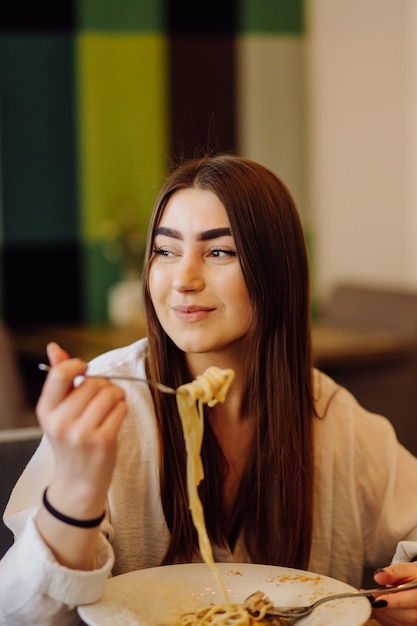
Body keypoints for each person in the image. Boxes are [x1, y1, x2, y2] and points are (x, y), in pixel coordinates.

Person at [1, 154, 417, 626]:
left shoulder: (332, 417)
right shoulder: (112, 398)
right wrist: (76, 489)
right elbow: (16, 613)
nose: (183, 279)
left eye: (220, 252)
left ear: (275, 272)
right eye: (165, 250)